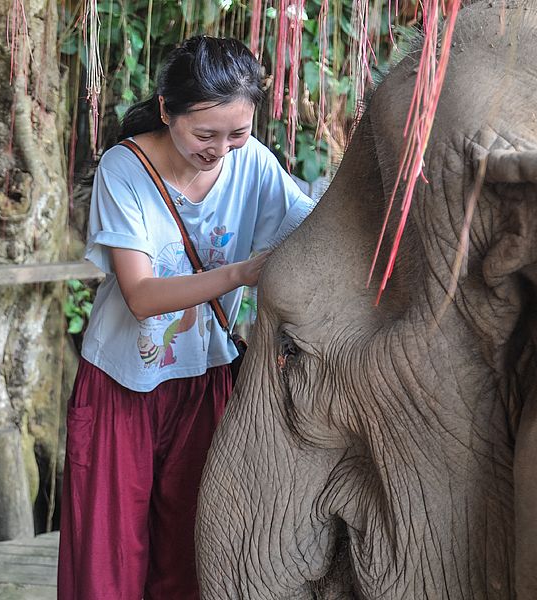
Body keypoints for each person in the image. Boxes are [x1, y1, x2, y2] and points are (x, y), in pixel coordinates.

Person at [57, 35, 317, 600]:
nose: (220, 149)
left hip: (205, 381)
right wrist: (241, 274)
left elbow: (313, 231)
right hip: (122, 384)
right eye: (205, 133)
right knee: (108, 558)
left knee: (193, 549)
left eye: (237, 133)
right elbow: (142, 296)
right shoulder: (122, 170)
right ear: (167, 110)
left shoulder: (252, 164)